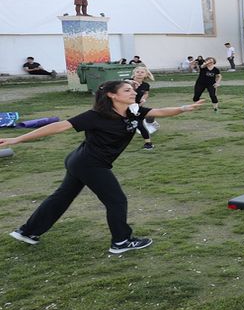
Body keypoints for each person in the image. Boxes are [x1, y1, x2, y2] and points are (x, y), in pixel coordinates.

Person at [2, 80, 204, 253]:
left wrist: (183, 108)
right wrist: (16, 139)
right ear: (111, 95)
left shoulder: (133, 111)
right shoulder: (95, 115)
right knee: (116, 200)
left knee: (62, 197)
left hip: (81, 161)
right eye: (127, 90)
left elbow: (159, 111)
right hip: (89, 164)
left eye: (133, 90)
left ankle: (28, 232)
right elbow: (59, 126)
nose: (134, 92)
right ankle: (121, 241)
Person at [128, 66, 159, 150]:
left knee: (139, 124)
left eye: (142, 72)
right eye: (137, 72)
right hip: (123, 106)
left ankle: (148, 143)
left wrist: (144, 98)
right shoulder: (126, 81)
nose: (139, 73)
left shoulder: (145, 85)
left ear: (146, 75)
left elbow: (146, 93)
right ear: (134, 73)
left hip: (136, 107)